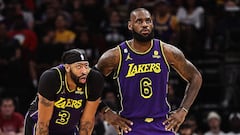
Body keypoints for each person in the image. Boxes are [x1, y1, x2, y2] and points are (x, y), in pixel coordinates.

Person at [95, 8, 202, 135]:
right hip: (131, 125)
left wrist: (183, 110)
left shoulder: (167, 51)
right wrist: (105, 111)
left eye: (148, 21)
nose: (145, 24)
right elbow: (89, 82)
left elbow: (195, 76)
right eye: (139, 21)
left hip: (162, 124)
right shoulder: (115, 56)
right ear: (130, 25)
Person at [24, 49, 104, 135]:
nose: (84, 71)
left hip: (68, 128)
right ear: (67, 68)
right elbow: (43, 124)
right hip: (39, 124)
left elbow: (87, 123)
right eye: (79, 67)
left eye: (86, 66)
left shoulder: (94, 79)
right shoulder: (51, 78)